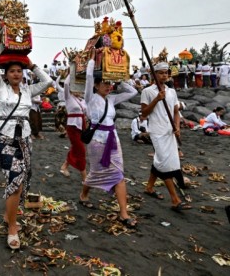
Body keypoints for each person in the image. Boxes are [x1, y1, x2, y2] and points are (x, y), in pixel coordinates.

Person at [0, 45, 52, 250]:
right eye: (12, 71)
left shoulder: (28, 90)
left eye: (19, 70)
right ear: (5, 75)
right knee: (15, 181)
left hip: (24, 139)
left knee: (22, 180)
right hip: (5, 138)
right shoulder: (0, 88)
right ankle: (12, 228)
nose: (16, 74)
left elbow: (48, 82)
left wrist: (31, 64)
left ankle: (9, 215)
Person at [80, 54, 138, 228]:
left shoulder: (112, 99)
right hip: (97, 141)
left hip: (113, 139)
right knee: (96, 172)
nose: (108, 86)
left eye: (109, 83)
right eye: (104, 82)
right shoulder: (89, 98)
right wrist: (92, 60)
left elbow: (133, 92)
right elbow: (89, 77)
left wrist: (119, 80)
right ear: (96, 85)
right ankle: (84, 195)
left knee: (119, 174)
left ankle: (124, 213)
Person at [141, 62, 191, 211]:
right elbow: (144, 113)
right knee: (165, 164)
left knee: (164, 161)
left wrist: (177, 127)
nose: (164, 75)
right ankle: (175, 200)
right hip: (157, 131)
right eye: (161, 73)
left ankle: (149, 187)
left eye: (166, 73)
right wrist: (156, 99)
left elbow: (176, 111)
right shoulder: (148, 91)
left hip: (170, 132)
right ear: (154, 74)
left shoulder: (171, 92)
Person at [60, 71, 87, 180]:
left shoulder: (82, 100)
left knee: (76, 148)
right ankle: (84, 176)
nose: (78, 90)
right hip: (72, 126)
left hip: (82, 125)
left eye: (79, 87)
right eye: (75, 87)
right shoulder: (68, 97)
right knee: (81, 150)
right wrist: (72, 71)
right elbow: (66, 84)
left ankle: (65, 166)